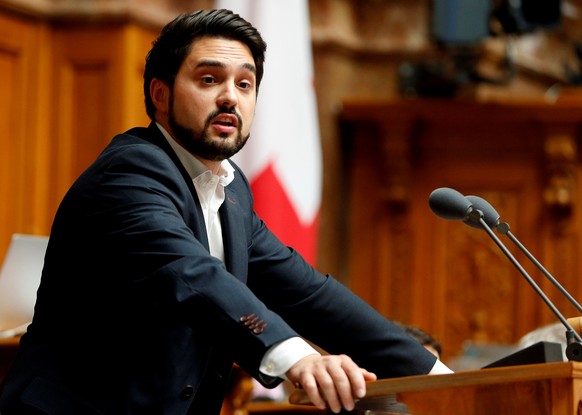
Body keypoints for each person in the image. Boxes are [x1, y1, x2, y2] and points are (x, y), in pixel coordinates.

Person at [0, 8, 452, 415]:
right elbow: (193, 275)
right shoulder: (130, 173)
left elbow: (309, 294)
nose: (231, 98)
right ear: (160, 94)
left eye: (245, 83)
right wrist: (296, 356)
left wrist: (440, 378)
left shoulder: (230, 188)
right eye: (209, 79)